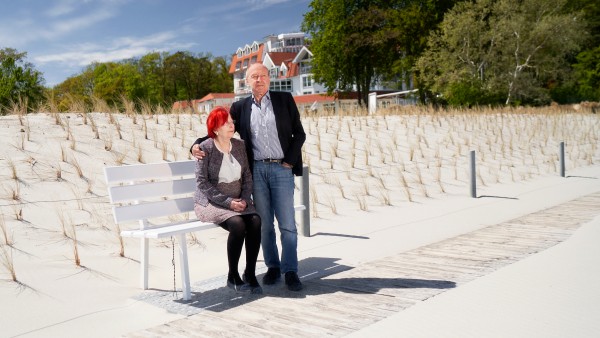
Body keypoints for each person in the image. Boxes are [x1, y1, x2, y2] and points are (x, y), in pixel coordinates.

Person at [191, 63, 306, 291]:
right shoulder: (240, 106)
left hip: (282, 169)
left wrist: (289, 161)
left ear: (269, 78)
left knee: (287, 224)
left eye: (263, 75)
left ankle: (290, 270)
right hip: (256, 171)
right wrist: (195, 144)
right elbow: (220, 127)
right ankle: (273, 268)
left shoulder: (284, 100)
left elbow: (299, 133)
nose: (259, 80)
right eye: (254, 76)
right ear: (247, 81)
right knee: (263, 224)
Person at [193, 106, 262, 294]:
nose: (232, 126)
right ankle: (232, 276)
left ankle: (250, 273)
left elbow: (247, 176)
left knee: (255, 221)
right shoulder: (205, 148)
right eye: (226, 123)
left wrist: (245, 199)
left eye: (232, 122)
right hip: (211, 202)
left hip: (238, 199)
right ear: (215, 129)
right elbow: (202, 183)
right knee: (238, 225)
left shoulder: (239, 145)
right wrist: (228, 202)